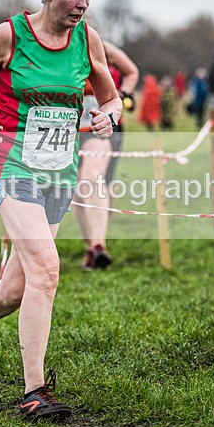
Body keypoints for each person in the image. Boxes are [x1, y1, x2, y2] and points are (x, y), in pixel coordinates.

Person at [0, 0, 120, 421]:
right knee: (46, 270)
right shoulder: (9, 36)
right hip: (10, 167)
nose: (82, 5)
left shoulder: (88, 41)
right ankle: (34, 391)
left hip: (57, 174)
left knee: (16, 289)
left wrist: (108, 115)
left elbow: (111, 95)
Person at [72, 40, 138, 270]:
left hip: (103, 129)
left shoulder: (99, 46)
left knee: (91, 177)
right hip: (69, 131)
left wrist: (124, 93)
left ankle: (100, 246)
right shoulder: (55, 47)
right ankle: (91, 248)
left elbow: (131, 71)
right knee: (77, 191)